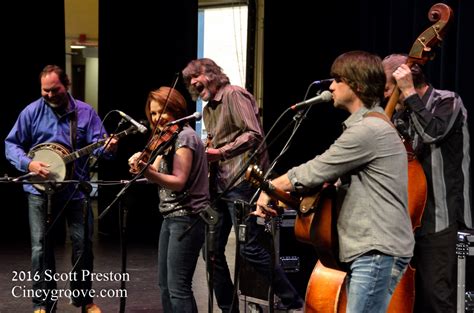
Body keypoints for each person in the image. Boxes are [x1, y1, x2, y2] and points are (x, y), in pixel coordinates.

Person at [255, 51, 415, 313]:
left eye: (337, 80)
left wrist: (271, 187)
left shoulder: (368, 131)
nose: (331, 87)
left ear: (358, 85)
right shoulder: (366, 127)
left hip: (376, 250)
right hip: (372, 249)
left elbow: (316, 170)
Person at [182, 58, 303, 312]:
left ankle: (294, 302)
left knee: (249, 249)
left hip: (244, 184)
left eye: (197, 75)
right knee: (212, 253)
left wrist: (220, 152)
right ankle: (229, 309)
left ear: (213, 74)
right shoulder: (206, 110)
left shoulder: (234, 95)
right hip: (220, 187)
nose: (193, 82)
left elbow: (254, 134)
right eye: (189, 79)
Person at [4, 65, 118, 313]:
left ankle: (83, 299)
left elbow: (100, 148)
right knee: (40, 248)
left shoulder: (85, 112)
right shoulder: (31, 112)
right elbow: (11, 145)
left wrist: (108, 148)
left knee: (83, 245)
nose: (49, 95)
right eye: (44, 91)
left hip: (76, 191)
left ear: (65, 85)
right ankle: (43, 303)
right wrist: (28, 163)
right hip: (39, 192)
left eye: (54, 90)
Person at [382, 53, 472, 313]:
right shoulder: (401, 114)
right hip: (405, 220)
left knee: (435, 298)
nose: (386, 96)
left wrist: (408, 93)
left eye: (388, 88)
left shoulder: (447, 101)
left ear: (407, 79)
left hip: (439, 218)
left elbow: (432, 132)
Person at [127, 86, 208, 313]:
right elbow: (154, 171)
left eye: (162, 111)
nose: (156, 117)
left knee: (178, 287)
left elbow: (178, 180)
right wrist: (139, 165)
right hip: (171, 216)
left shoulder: (185, 137)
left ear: (175, 108)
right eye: (153, 113)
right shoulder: (166, 138)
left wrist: (149, 173)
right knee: (165, 285)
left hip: (188, 217)